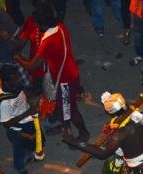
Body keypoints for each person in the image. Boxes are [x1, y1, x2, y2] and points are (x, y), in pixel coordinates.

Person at [15, 2, 90, 143]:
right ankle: (64, 126)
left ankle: (84, 134)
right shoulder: (60, 28)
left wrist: (18, 57)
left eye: (36, 24)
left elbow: (31, 67)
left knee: (71, 110)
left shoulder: (49, 42)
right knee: (64, 107)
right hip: (68, 74)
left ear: (43, 26)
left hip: (66, 81)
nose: (35, 26)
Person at [0, 65, 43, 174]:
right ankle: (22, 172)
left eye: (18, 77)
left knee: (29, 145)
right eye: (15, 79)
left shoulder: (15, 85)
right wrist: (27, 113)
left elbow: (23, 89)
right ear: (6, 82)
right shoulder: (4, 101)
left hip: (27, 122)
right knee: (20, 151)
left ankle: (29, 157)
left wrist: (31, 96)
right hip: (17, 131)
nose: (19, 80)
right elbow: (6, 124)